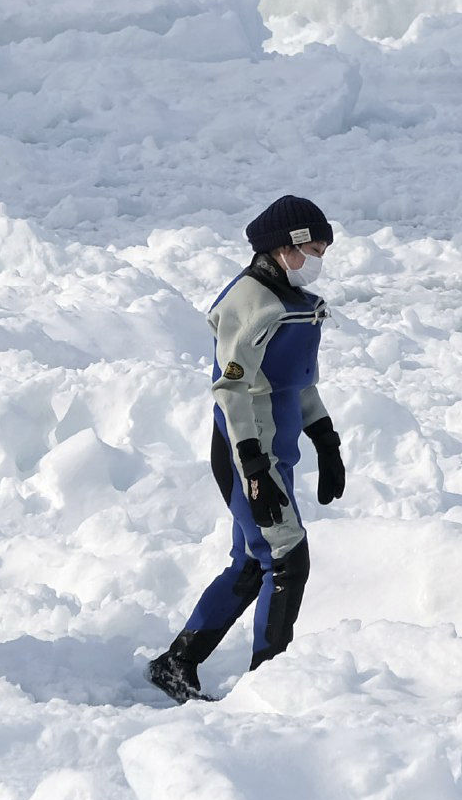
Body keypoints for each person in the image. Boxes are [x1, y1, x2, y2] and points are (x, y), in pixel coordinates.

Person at [147, 194, 346, 701]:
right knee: (287, 558)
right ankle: (269, 682)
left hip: (278, 450)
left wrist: (325, 438)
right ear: (283, 249)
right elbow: (232, 390)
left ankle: (177, 662)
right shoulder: (251, 303)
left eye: (325, 247)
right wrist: (254, 467)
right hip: (249, 450)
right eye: (313, 248)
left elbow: (296, 381)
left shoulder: (295, 304)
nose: (320, 258)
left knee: (252, 562)